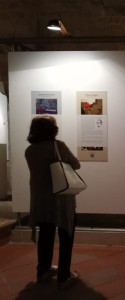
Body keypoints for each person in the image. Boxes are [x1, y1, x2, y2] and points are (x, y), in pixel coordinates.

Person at [25, 115, 80, 290]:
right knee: (66, 237)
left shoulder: (30, 150)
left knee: (45, 237)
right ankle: (63, 277)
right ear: (51, 130)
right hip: (60, 199)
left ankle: (43, 272)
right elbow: (76, 164)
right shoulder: (58, 146)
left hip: (41, 200)